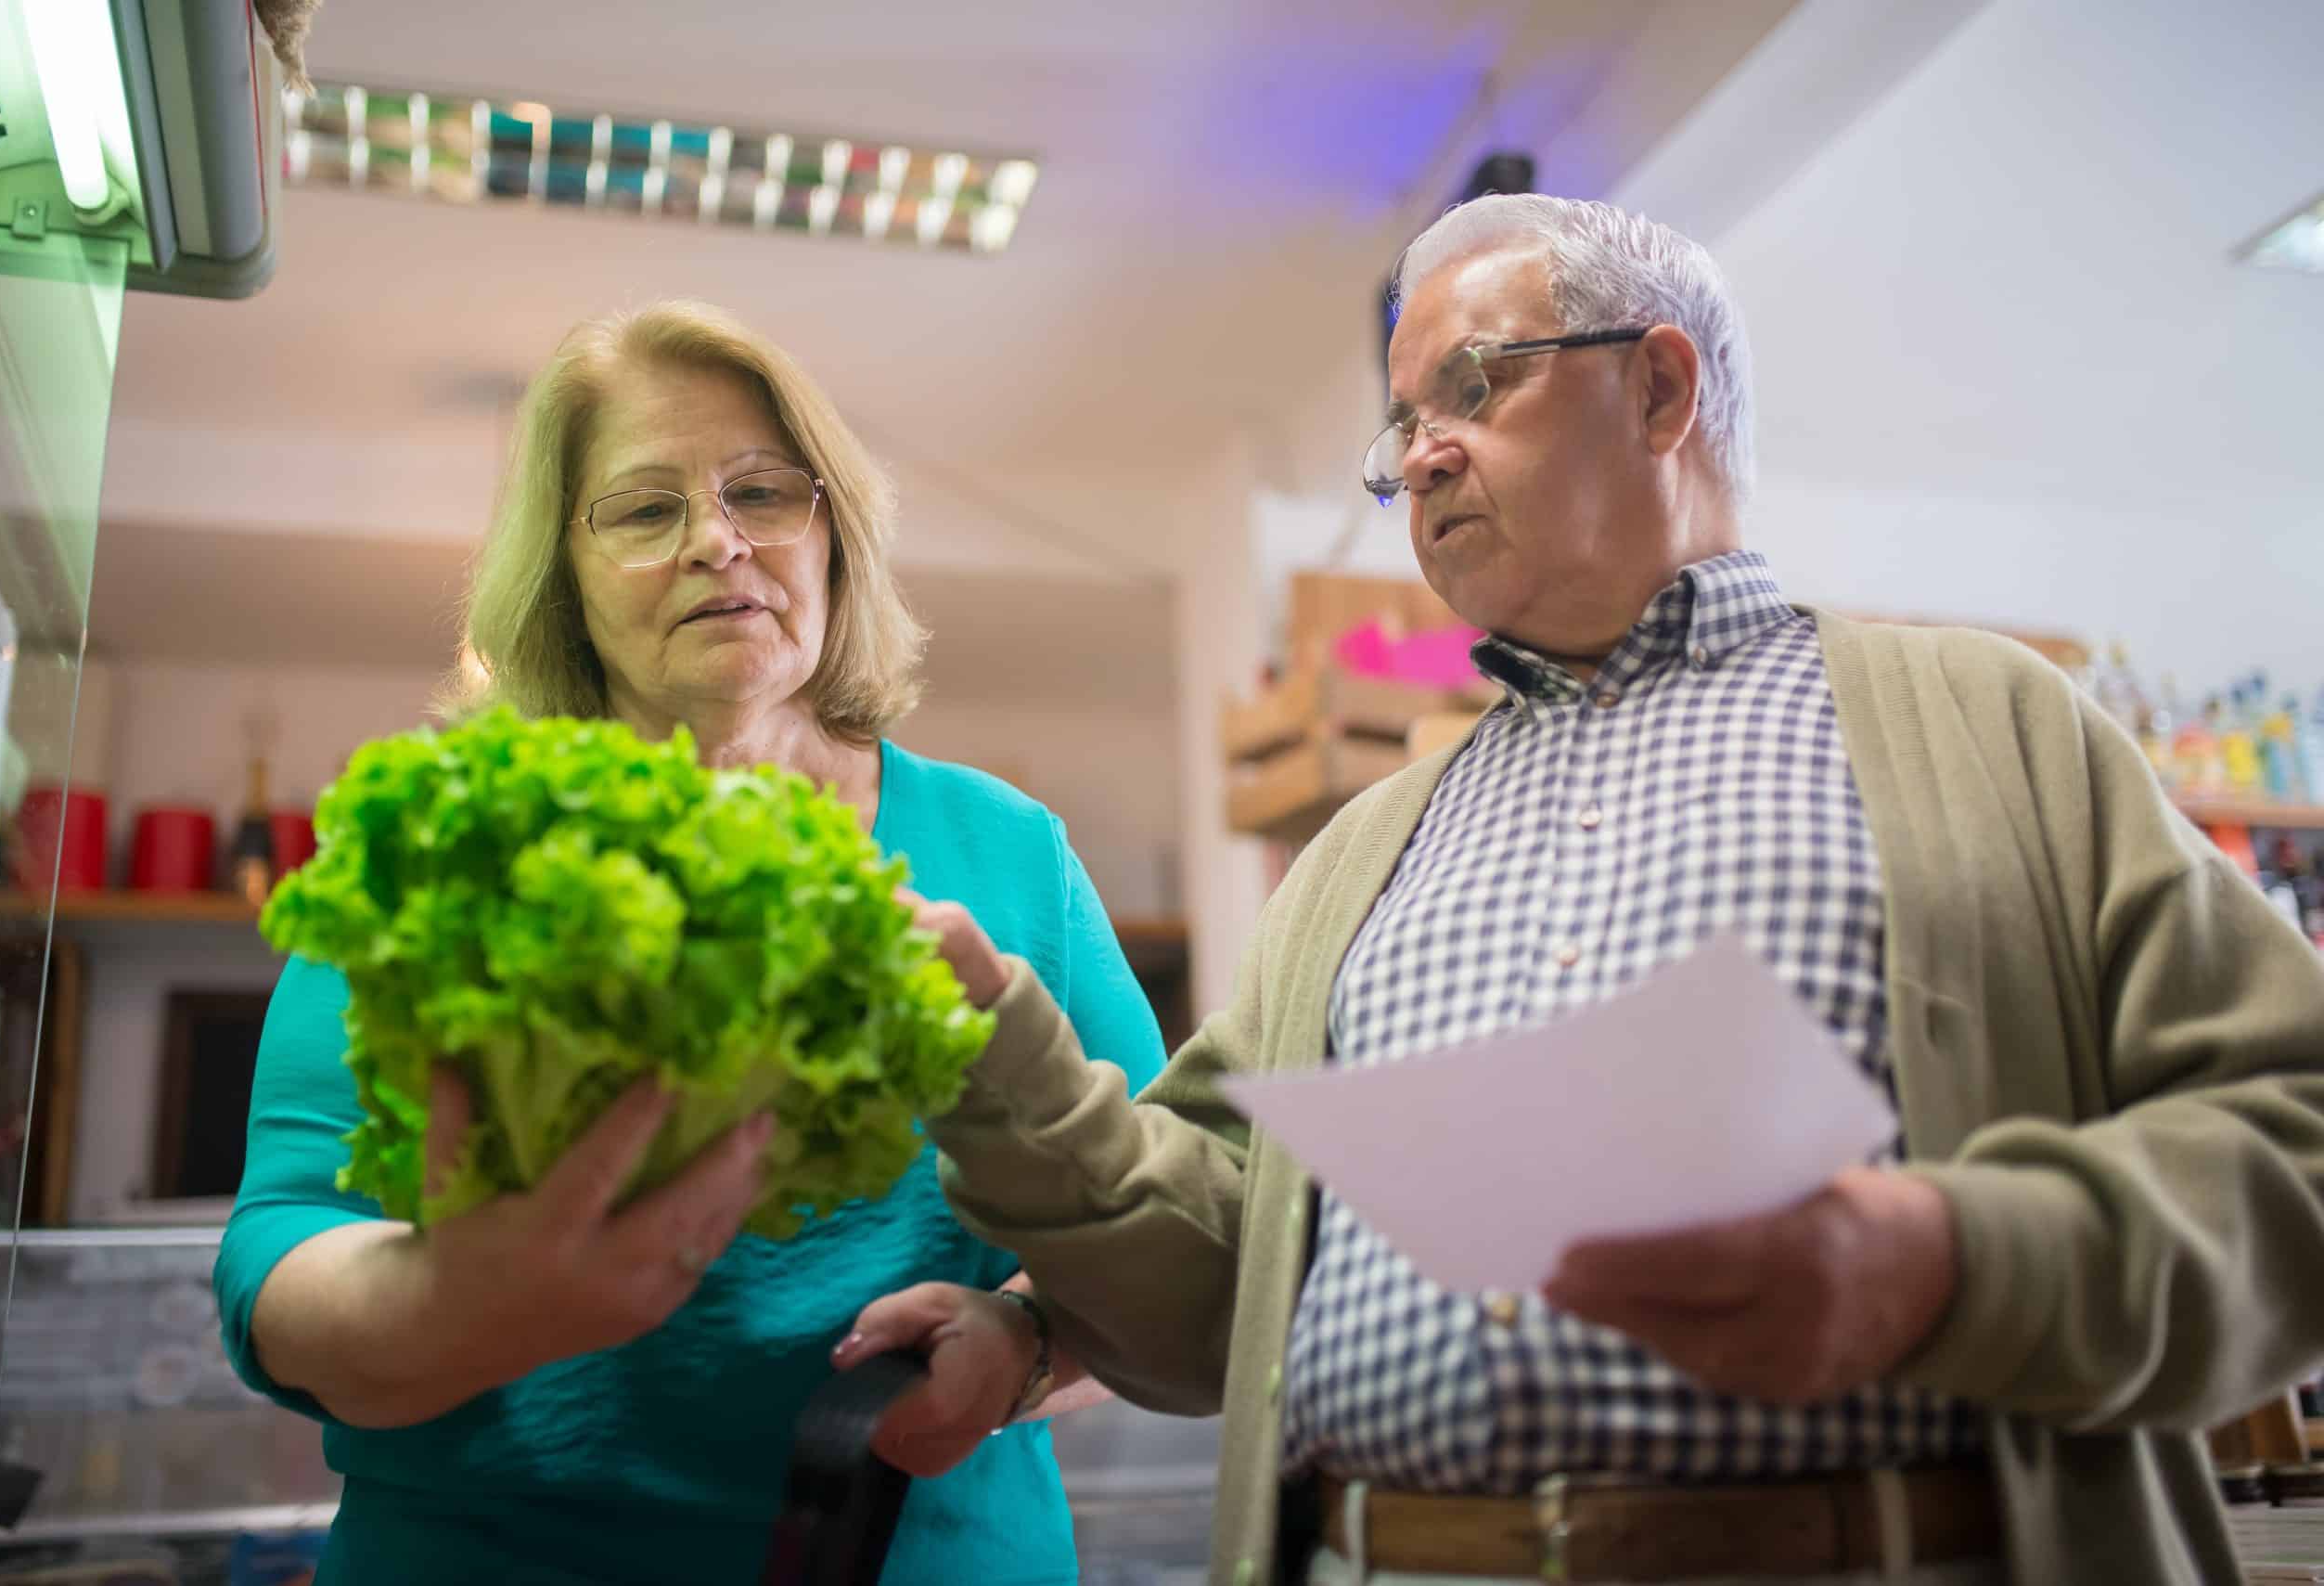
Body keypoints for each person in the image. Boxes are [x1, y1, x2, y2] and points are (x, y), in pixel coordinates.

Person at [839, 195, 2324, 1586]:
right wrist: (1009, 1083)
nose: (1419, 454)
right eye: (1402, 422)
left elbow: (2295, 1137)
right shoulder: (1360, 856)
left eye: (1472, 387)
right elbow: (1212, 1289)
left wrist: (1951, 1262)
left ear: (1662, 391)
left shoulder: (1990, 727)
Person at [213, 300, 1166, 1586]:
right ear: (564, 571)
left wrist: (1029, 1350)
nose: (718, 540)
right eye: (645, 510)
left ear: (832, 534)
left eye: (763, 491)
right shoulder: (452, 841)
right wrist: (454, 1299)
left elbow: (1164, 1236)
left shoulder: (1009, 856)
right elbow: (280, 1253)